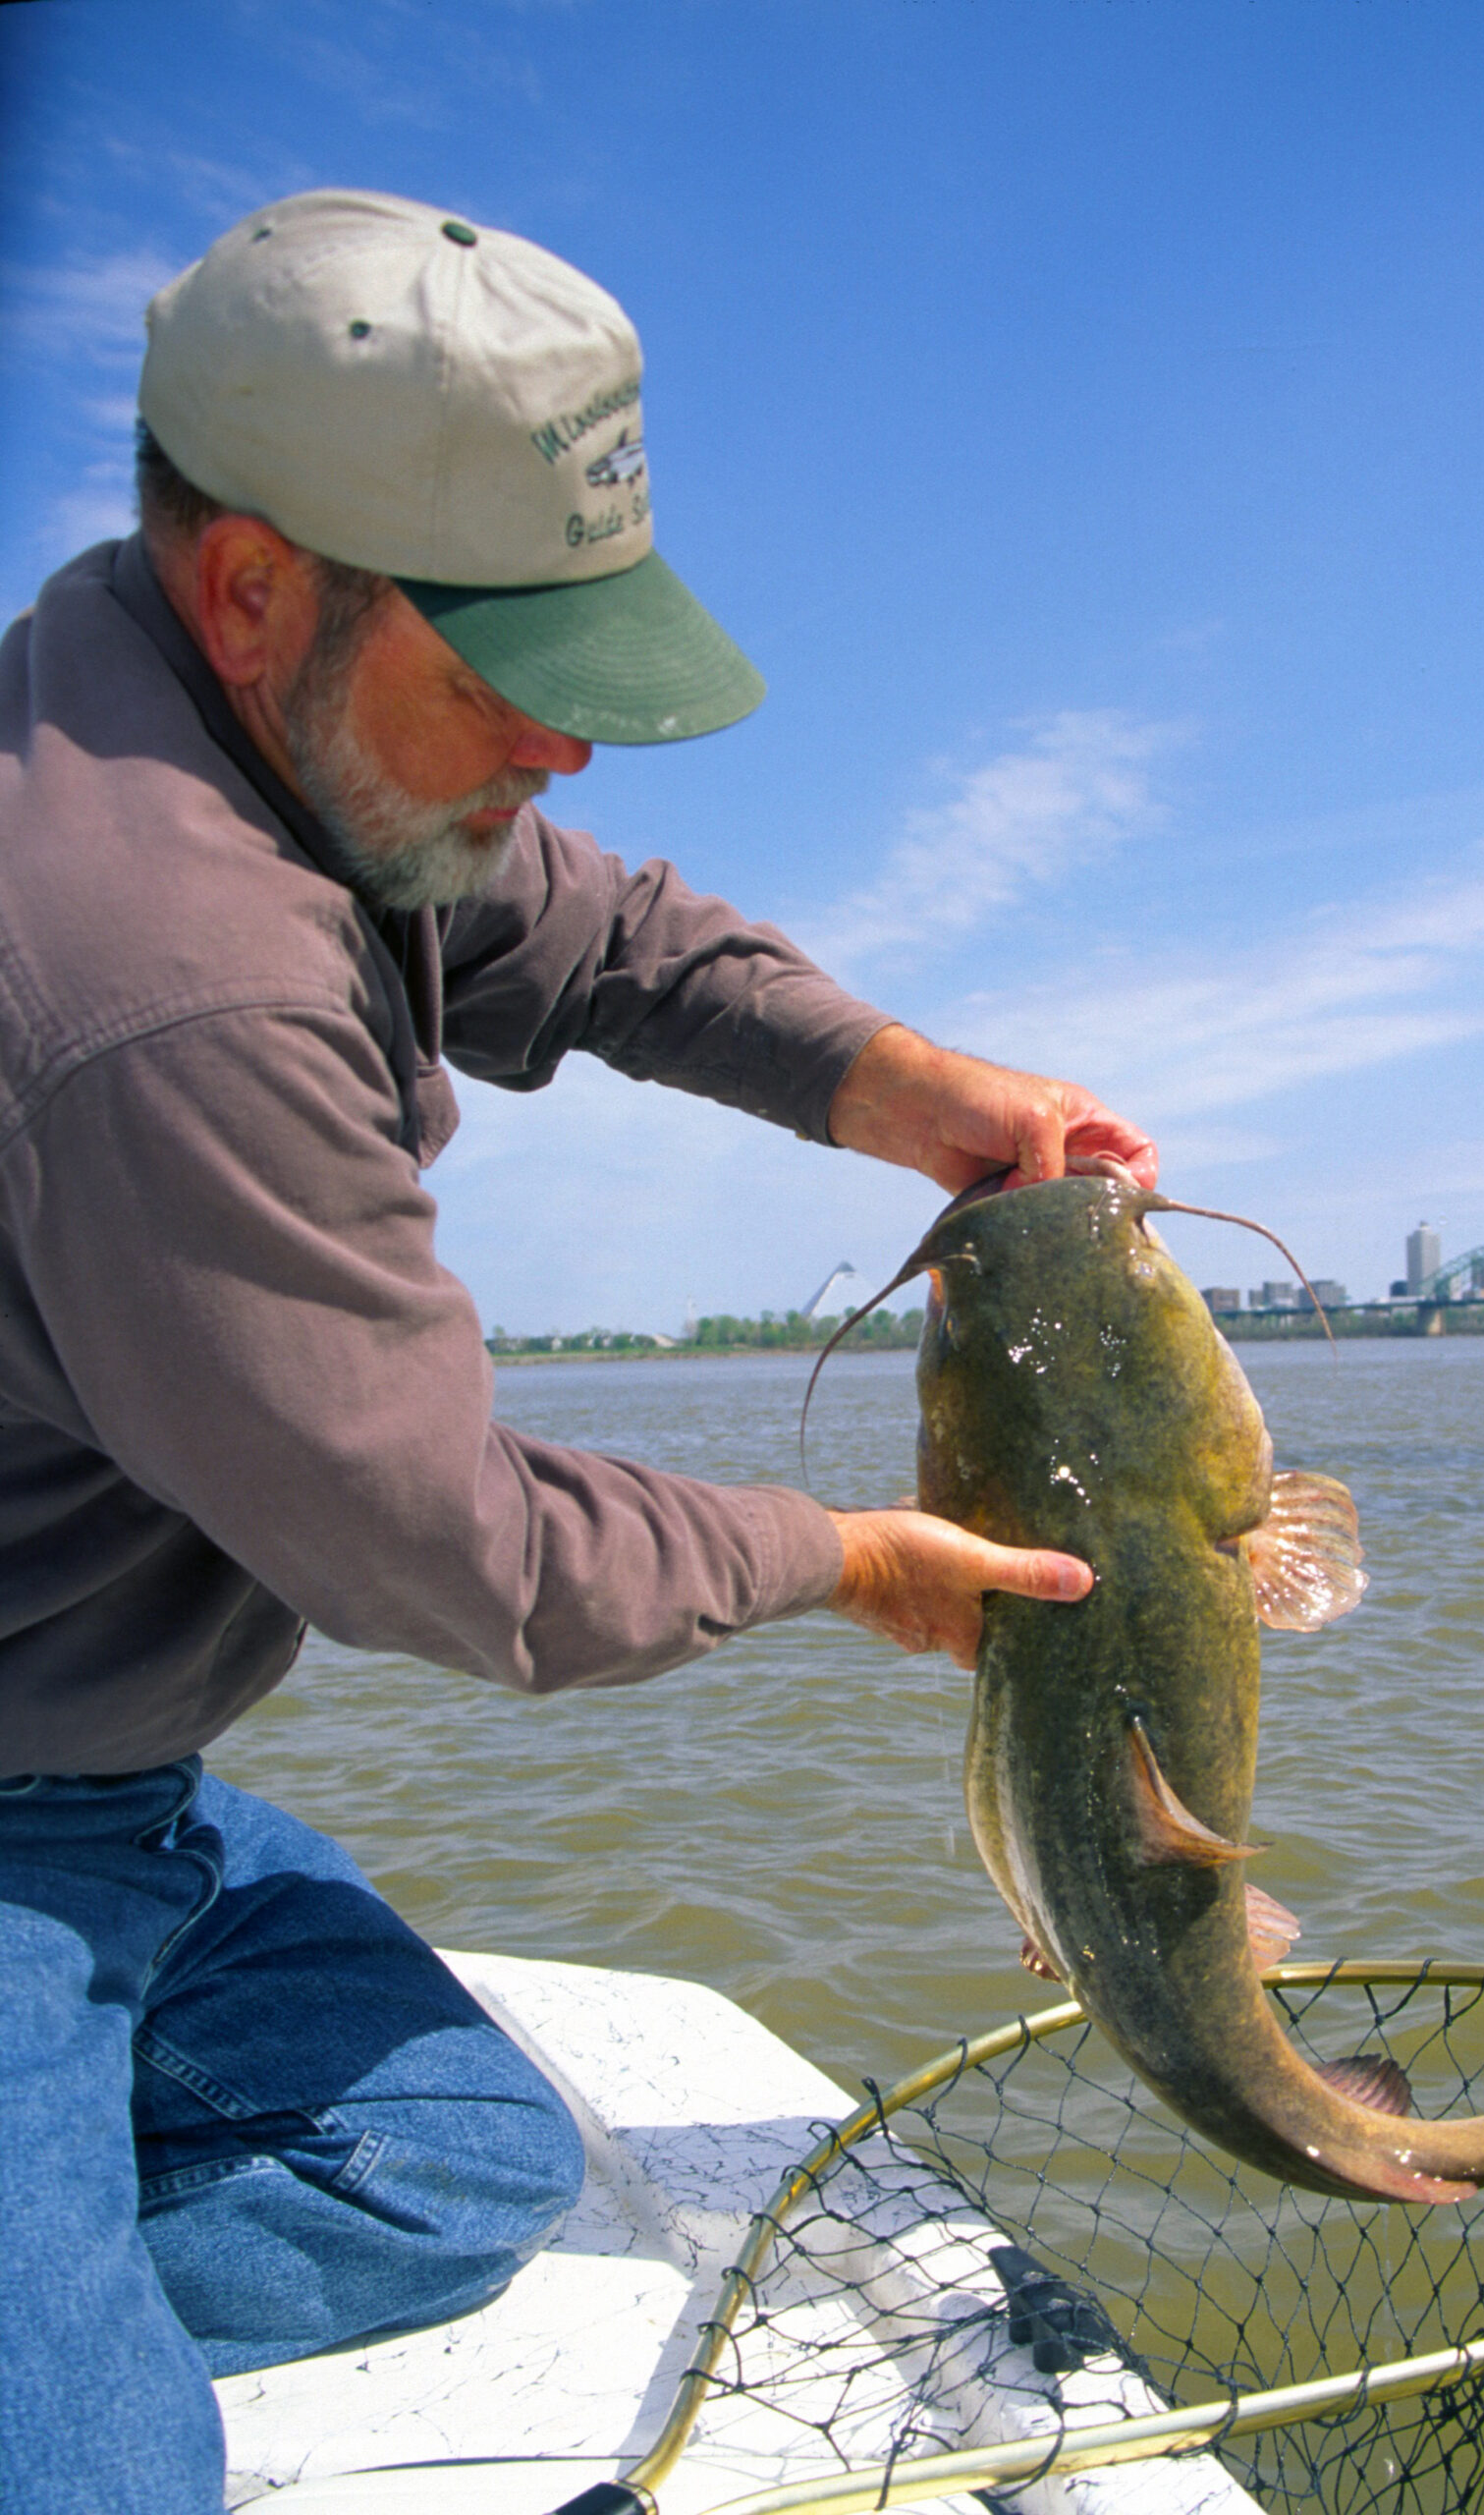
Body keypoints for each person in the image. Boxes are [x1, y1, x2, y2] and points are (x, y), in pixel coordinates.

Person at [0, 189, 1156, 2514]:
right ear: (258, 587)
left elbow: (607, 937)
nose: (567, 742)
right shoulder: (173, 979)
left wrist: (903, 1083)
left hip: (104, 1780)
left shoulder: (250, 711)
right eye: (512, 667)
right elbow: (456, 1546)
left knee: (439, 2158)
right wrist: (840, 1556)